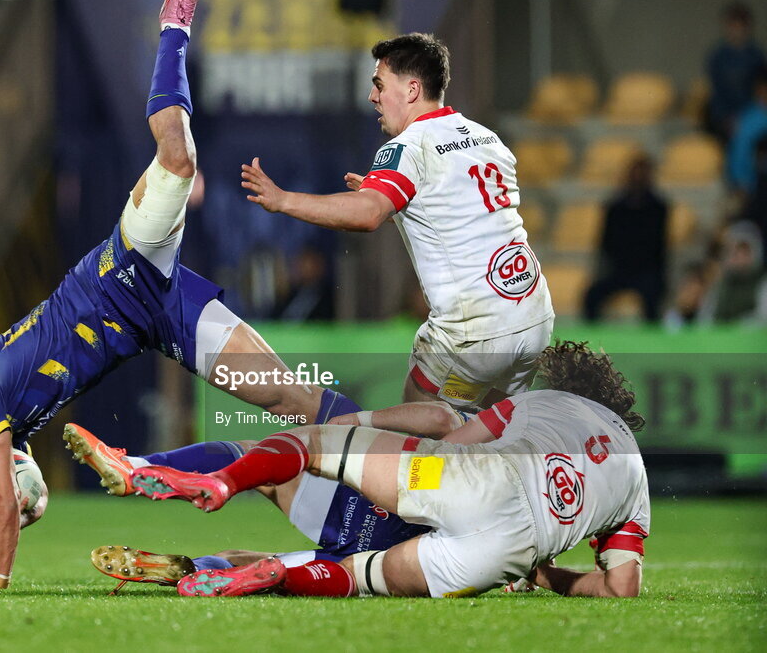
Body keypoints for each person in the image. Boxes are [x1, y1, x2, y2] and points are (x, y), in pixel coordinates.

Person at [0, 0, 365, 591]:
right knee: (292, 399)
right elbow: (12, 480)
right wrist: (25, 483)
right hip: (162, 316)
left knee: (177, 160)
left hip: (122, 274)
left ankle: (172, 29)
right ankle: (399, 487)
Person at [133, 341, 649, 600]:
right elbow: (622, 588)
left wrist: (370, 441)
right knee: (363, 576)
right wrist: (550, 574)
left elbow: (454, 436)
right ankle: (276, 573)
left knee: (311, 443)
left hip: (471, 481)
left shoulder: (548, 401)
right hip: (500, 555)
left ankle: (221, 481)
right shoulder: (637, 481)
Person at [241, 33, 554, 426]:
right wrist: (397, 207)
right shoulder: (485, 137)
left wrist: (282, 199)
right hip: (532, 319)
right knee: (488, 433)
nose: (373, 97)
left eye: (378, 85)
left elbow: (366, 215)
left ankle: (406, 478)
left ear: (411, 89)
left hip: (476, 333)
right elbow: (466, 215)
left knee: (417, 422)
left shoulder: (409, 146)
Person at [63, 392, 432, 592]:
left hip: (374, 508)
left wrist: (364, 422)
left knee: (257, 461)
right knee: (247, 562)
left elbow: (441, 421)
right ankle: (199, 570)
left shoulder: (470, 448)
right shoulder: (485, 503)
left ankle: (138, 468)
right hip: (393, 557)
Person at [583, 154, 668, 322]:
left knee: (653, 295)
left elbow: (659, 245)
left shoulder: (659, 208)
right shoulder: (615, 208)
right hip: (619, 270)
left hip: (647, 272)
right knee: (592, 294)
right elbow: (605, 242)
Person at [706, 2, 766, 143]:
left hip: (751, 112)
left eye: (740, 26)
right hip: (725, 114)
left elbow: (761, 88)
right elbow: (718, 92)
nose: (736, 30)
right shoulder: (718, 56)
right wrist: (727, 117)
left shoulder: (756, 55)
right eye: (732, 26)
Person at [727, 67, 767, 198]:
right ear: (758, 89)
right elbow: (738, 154)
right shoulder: (747, 119)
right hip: (753, 189)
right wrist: (741, 185)